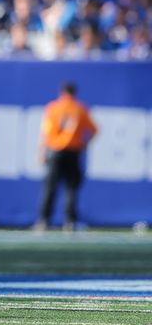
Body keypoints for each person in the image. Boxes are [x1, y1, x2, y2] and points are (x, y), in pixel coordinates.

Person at [35, 82, 97, 232]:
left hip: (55, 151)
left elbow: (46, 133)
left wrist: (42, 152)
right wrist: (84, 143)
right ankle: (69, 222)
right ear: (74, 93)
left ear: (61, 92)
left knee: (50, 187)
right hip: (73, 152)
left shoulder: (53, 107)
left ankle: (44, 220)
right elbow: (94, 129)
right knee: (71, 188)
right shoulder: (80, 108)